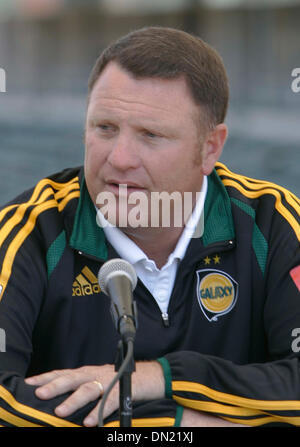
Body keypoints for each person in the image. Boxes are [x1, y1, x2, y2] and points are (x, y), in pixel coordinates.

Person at [0, 26, 299, 428]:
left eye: (150, 135)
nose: (120, 158)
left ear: (210, 148)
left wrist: (159, 377)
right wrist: (179, 423)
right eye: (104, 128)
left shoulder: (273, 222)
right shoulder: (28, 231)